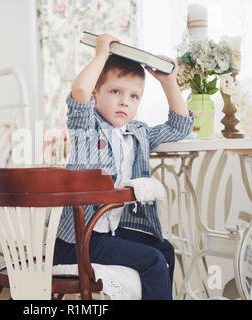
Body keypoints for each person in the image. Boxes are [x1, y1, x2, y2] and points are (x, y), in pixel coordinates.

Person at [52, 33, 194, 300]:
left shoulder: (139, 133)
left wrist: (168, 82)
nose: (124, 101)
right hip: (78, 241)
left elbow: (180, 126)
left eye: (134, 96)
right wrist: (101, 56)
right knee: (151, 260)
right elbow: (79, 92)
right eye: (115, 92)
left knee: (164, 250)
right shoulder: (87, 127)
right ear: (96, 96)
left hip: (111, 232)